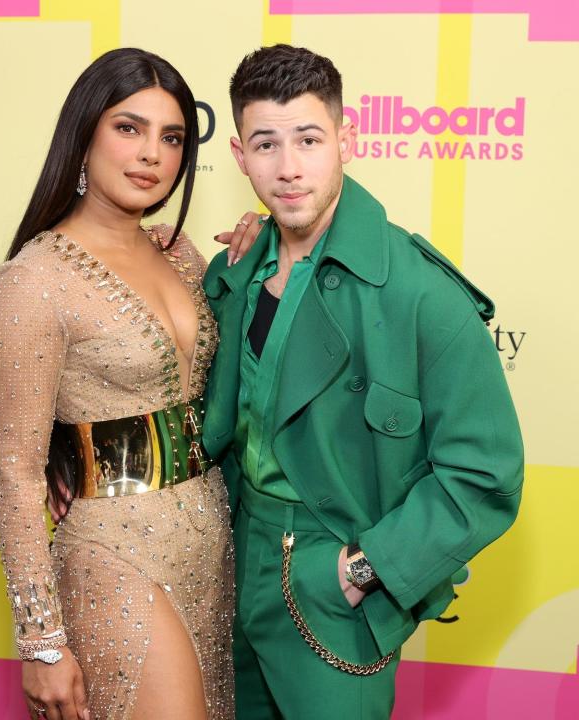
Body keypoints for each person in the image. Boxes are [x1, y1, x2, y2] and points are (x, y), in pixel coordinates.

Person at [200, 44, 525, 719]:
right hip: (228, 562)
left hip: (331, 580)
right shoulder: (233, 271)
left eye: (309, 140)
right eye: (266, 144)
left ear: (347, 138)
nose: (288, 169)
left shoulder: (418, 293)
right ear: (238, 155)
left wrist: (361, 570)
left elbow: (486, 472)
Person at [0, 48, 249, 720]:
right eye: (128, 128)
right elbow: (13, 474)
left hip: (211, 539)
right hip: (113, 555)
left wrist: (267, 244)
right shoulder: (34, 280)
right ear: (84, 134)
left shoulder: (179, 254)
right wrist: (41, 642)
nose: (151, 154)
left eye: (172, 137)